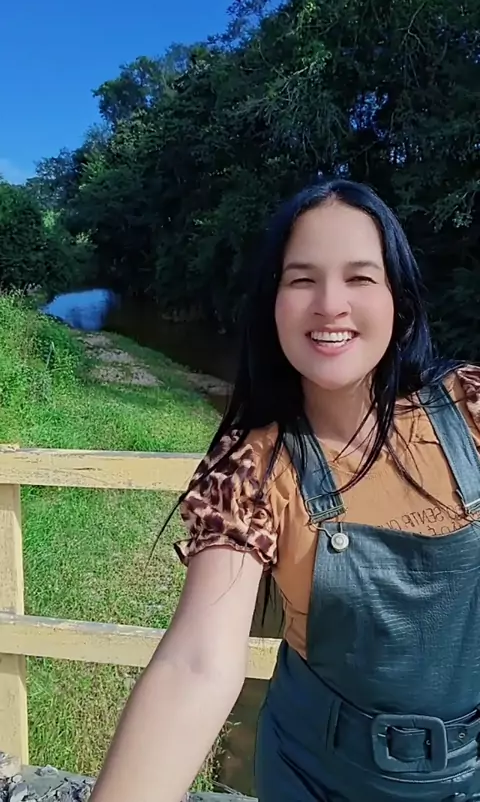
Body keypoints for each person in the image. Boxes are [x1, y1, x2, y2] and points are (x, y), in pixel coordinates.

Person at [90, 178, 480, 802]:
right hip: (312, 778)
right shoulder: (251, 468)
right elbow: (198, 663)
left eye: (359, 277)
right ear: (272, 303)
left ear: (398, 300)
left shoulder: (470, 409)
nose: (330, 304)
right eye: (302, 280)